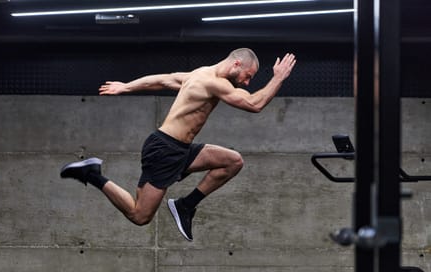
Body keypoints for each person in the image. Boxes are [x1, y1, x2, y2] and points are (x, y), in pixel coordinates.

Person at [60, 48, 296, 241]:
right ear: (236, 64)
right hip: (165, 150)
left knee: (232, 161)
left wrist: (126, 86)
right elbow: (255, 104)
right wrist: (278, 78)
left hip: (180, 149)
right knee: (140, 215)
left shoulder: (198, 74)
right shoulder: (215, 83)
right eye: (248, 76)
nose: (246, 82)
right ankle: (92, 174)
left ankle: (185, 206)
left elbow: (163, 79)